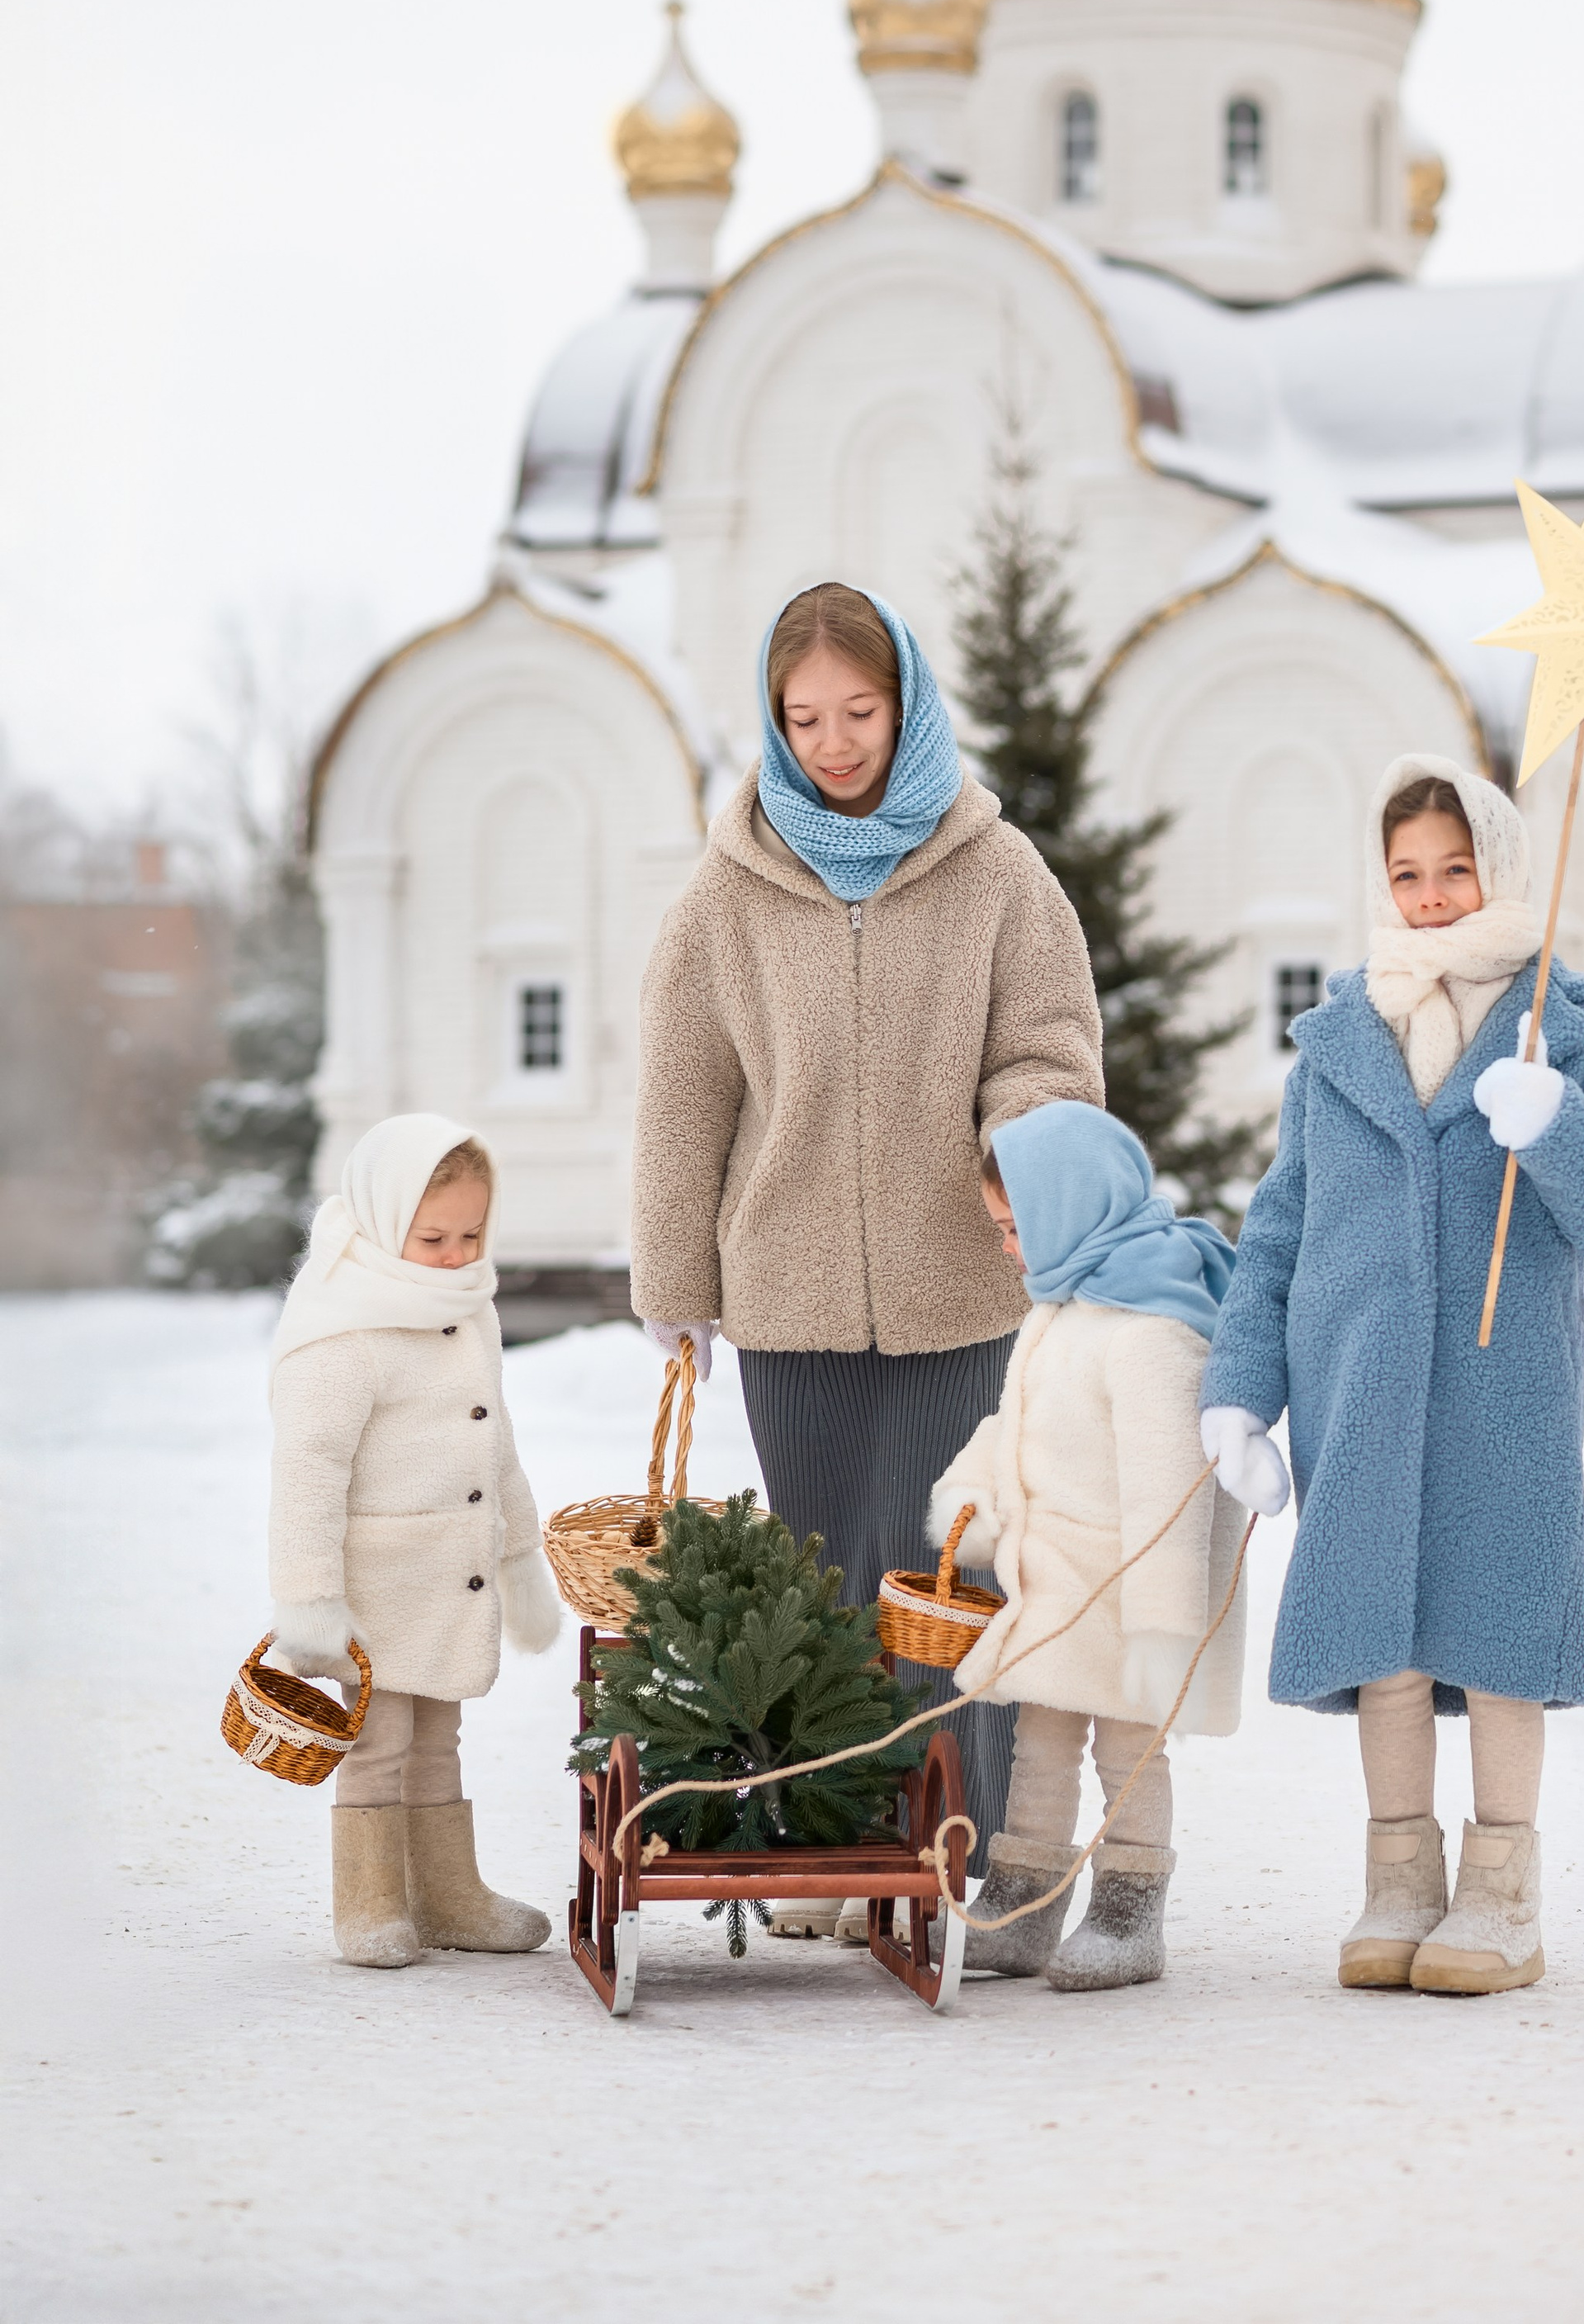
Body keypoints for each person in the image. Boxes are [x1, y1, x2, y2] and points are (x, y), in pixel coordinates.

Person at [629, 580, 1102, 1932]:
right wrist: (676, 1279)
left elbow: (1051, 1060)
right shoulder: (726, 897)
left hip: (962, 1292)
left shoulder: (997, 876)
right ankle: (837, 1856)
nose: (836, 743)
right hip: (787, 1304)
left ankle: (966, 1849)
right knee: (832, 1589)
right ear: (773, 727)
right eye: (805, 718)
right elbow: (682, 1103)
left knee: (952, 1582)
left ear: (906, 703)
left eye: (859, 712)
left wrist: (1023, 1153)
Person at [1199, 753, 1584, 1996]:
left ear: (1501, 869)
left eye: (1454, 870)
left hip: (1498, 1395)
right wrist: (1243, 1391)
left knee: (1495, 1624)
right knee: (1387, 1642)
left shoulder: (1559, 1028)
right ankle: (1400, 1883)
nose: (1430, 897)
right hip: (1357, 1389)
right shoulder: (1340, 1043)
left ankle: (1502, 1896)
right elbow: (1281, 1230)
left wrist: (1556, 1122)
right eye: (1407, 874)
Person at [923, 1101, 1248, 1990]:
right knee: (1040, 1744)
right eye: (1001, 1228)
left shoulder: (1150, 1333)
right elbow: (1009, 1426)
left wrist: (1162, 1627)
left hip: (1127, 1596)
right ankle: (1021, 1903)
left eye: (1016, 1227)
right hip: (1055, 1590)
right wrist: (969, 1499)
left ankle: (1129, 1910)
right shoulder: (1058, 1316)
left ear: (1072, 1208)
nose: (1007, 1248)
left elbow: (1167, 1491)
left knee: (1129, 1749)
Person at [267, 1114, 563, 1970]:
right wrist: (311, 1598)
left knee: (439, 1739)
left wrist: (520, 1561)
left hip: (450, 1576)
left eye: (471, 1234)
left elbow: (494, 1440)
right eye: (431, 1236)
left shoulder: (466, 1312)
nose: (455, 1254)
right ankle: (369, 1905)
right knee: (378, 1745)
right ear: (379, 1217)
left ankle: (447, 1896)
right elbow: (307, 1474)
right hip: (376, 1586)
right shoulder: (343, 1331)